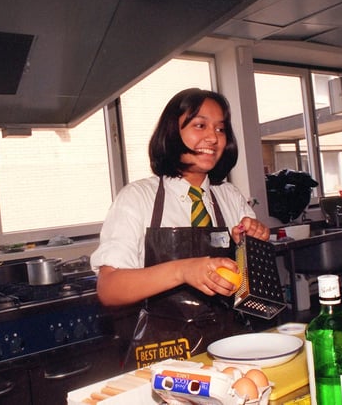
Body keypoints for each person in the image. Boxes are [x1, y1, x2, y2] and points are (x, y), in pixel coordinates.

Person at [91, 88, 270, 367]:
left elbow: (253, 289)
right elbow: (109, 288)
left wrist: (251, 245)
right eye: (200, 125)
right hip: (164, 360)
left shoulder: (230, 196)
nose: (213, 137)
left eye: (220, 129)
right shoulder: (138, 198)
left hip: (230, 350)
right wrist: (184, 270)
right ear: (172, 132)